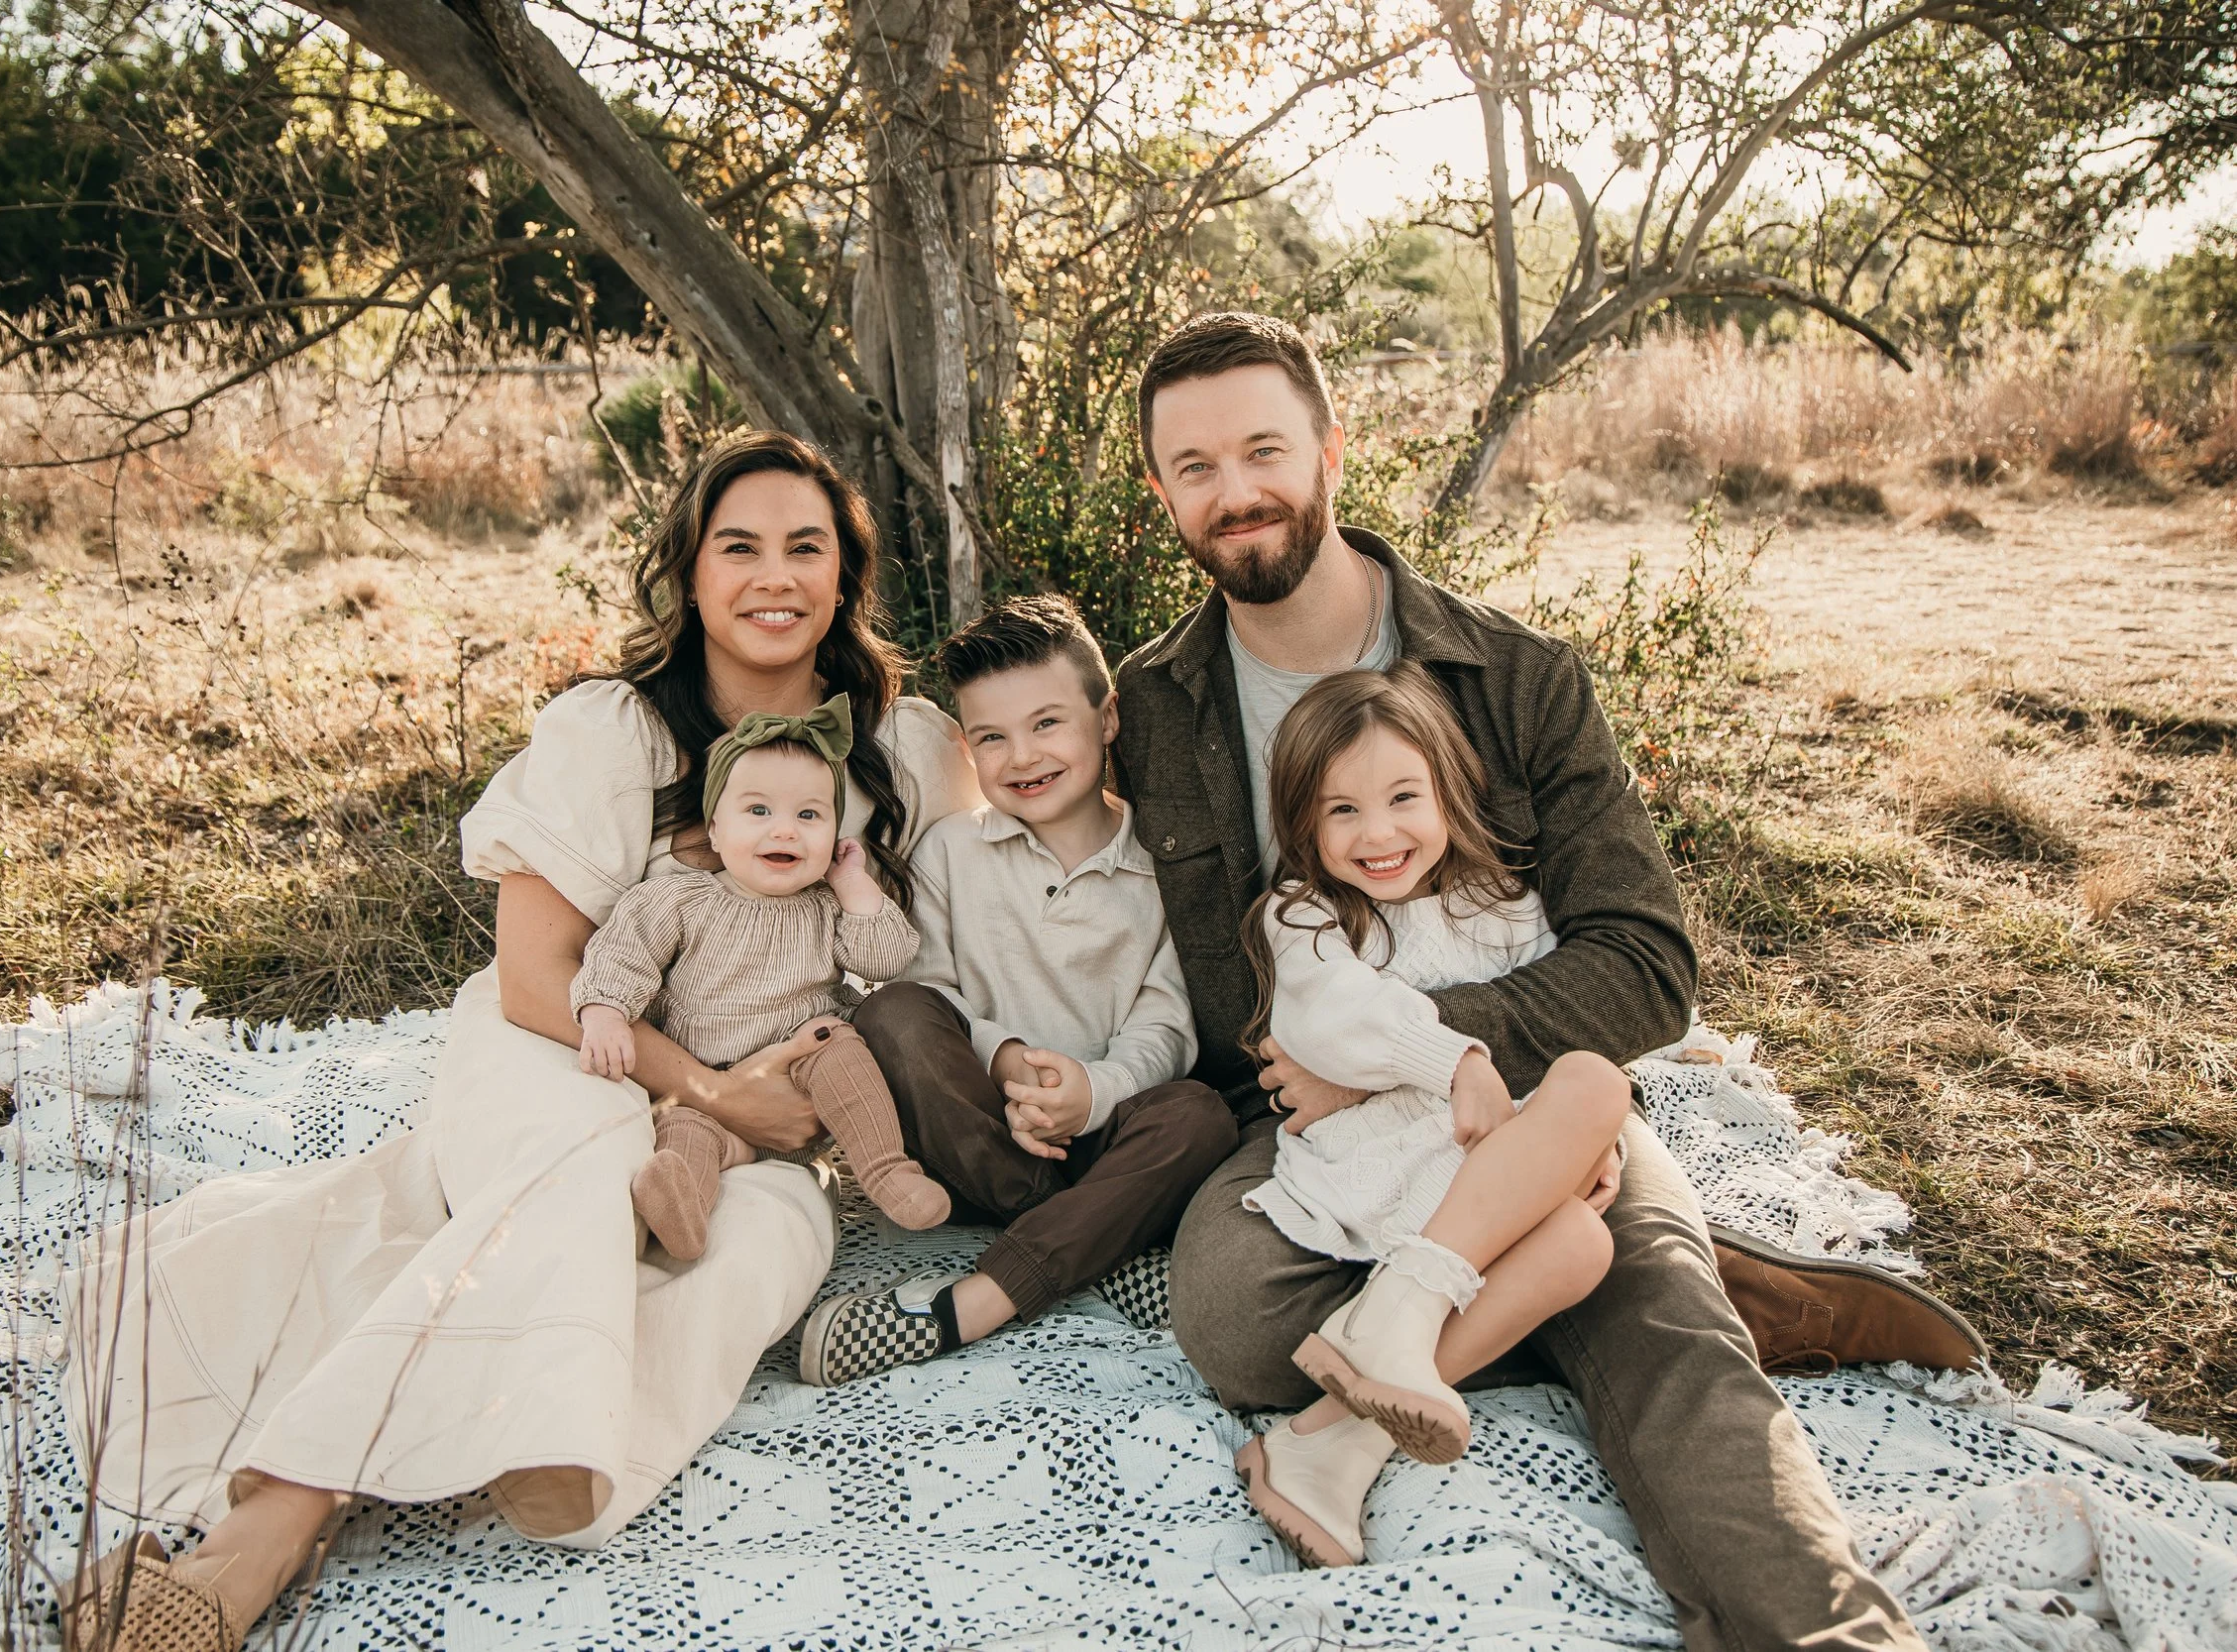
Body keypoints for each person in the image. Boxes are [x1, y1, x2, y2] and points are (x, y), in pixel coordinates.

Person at [1112, 311, 1986, 1651]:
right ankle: (1591, 1273)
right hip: (1314, 1132)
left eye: (1263, 449)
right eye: (1196, 466)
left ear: (1332, 450)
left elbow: (1648, 964)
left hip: (1533, 1108)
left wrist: (1420, 1044)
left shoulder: (1516, 678)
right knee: (1229, 1317)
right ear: (1162, 489)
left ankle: (1822, 1623)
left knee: (1667, 1341)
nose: (1236, 492)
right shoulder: (1154, 705)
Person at [60, 431, 978, 1651]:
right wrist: (709, 1085)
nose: (773, 575)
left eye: (806, 546)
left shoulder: (908, 749)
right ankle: (280, 1512)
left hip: (781, 1118)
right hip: (567, 1053)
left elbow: (959, 952)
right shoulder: (614, 729)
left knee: (766, 1246)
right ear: (690, 574)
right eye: (737, 545)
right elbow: (538, 977)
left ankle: (546, 1434)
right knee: (593, 1176)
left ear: (846, 577)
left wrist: (789, 1096)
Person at [1228, 665, 1630, 1567]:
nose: (1378, 833)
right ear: (1302, 825)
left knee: (1585, 1238)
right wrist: (1459, 1058)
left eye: (1404, 796)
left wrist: (1579, 1144)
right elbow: (1334, 1021)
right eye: (1340, 812)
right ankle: (1392, 1322)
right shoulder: (1304, 917)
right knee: (1598, 1086)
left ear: (1448, 791)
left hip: (1473, 1167)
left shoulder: (1501, 906)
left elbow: (1555, 1021)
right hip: (1381, 1161)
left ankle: (1331, 1440)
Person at [799, 595, 1235, 1385]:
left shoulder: (1159, 866)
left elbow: (1166, 1025)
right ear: (966, 749)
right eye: (993, 737)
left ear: (1106, 720)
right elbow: (925, 990)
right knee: (891, 1011)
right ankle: (1096, 1241)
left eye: (1046, 724)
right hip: (979, 1138)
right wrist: (1002, 1062)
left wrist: (1092, 1093)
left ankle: (979, 1294)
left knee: (1199, 1115)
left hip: (1104, 1132)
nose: (1022, 756)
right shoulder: (949, 851)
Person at [574, 697, 948, 1255]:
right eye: (758, 812)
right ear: (715, 830)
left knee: (842, 1049)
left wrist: (851, 882)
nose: (786, 831)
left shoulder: (826, 905)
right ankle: (682, 1212)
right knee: (684, 1134)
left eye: (809, 815)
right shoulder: (680, 899)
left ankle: (887, 1171)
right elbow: (623, 952)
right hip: (707, 1089)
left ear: (834, 834)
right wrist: (604, 1009)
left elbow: (886, 957)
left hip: (806, 1086)